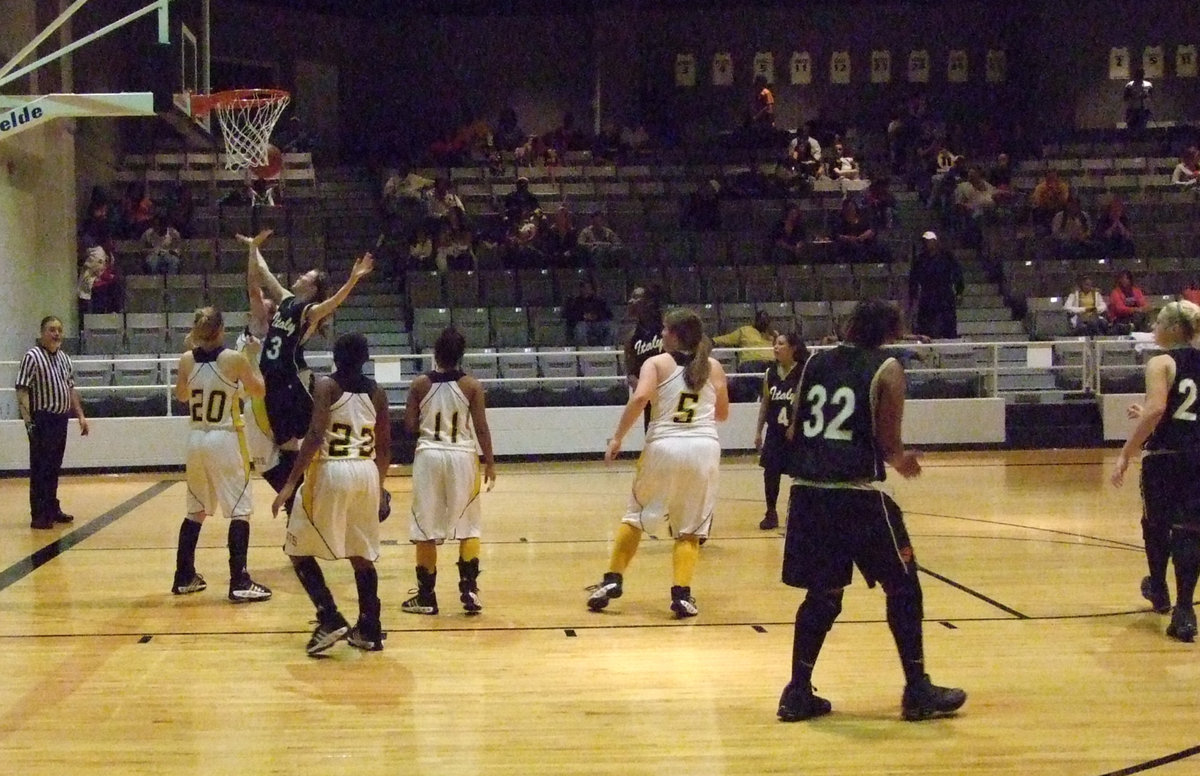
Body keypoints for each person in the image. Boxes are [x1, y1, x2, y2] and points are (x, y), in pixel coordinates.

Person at [778, 299, 966, 722]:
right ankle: (917, 689)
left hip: (808, 493)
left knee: (823, 595)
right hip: (854, 496)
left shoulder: (813, 365)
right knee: (903, 586)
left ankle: (796, 691)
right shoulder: (888, 369)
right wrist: (903, 460)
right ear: (890, 332)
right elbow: (887, 444)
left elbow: (793, 428)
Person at [587, 309, 730, 618]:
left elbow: (639, 399)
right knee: (689, 529)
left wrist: (616, 439)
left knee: (635, 515)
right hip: (704, 448)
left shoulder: (656, 363)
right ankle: (681, 595)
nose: (661, 335)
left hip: (664, 445)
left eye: (666, 330)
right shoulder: (714, 367)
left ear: (677, 335)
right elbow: (722, 414)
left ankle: (612, 580)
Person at [271, 333, 393, 655]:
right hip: (366, 472)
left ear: (335, 357)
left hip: (332, 470)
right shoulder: (379, 393)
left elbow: (313, 435)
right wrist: (378, 488)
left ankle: (329, 617)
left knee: (296, 546)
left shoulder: (326, 386)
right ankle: (369, 627)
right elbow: (384, 448)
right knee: (361, 553)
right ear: (365, 358)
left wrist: (289, 484)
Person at [241, 230, 374, 507]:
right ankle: (299, 500)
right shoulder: (287, 299)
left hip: (288, 382)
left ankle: (303, 501)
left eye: (307, 276)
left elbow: (333, 303)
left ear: (313, 288)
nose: (300, 276)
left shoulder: (309, 311)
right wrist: (254, 248)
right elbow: (264, 273)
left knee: (292, 443)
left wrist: (353, 279)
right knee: (283, 445)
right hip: (271, 382)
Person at [1110, 300, 1200, 643]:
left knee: (1155, 524)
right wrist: (1150, 411)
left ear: (1174, 329)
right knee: (1190, 529)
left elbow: (1159, 409)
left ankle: (1159, 589)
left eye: (1159, 322)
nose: (1155, 328)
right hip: (1197, 455)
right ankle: (1185, 611)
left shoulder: (1161, 362)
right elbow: (1175, 408)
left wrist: (1126, 452)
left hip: (1165, 456)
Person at [171, 307, 272, 602]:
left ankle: (184, 575)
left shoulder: (187, 359)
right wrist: (252, 358)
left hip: (195, 438)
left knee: (196, 510)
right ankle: (239, 580)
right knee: (240, 509)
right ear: (221, 329)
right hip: (226, 437)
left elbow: (181, 396)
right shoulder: (234, 359)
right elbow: (259, 391)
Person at [400, 327, 497, 616]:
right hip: (462, 456)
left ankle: (426, 597)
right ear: (461, 355)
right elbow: (481, 427)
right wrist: (490, 462)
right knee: (468, 524)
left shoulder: (419, 384)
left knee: (425, 526)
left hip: (429, 454)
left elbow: (409, 426)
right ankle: (468, 588)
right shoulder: (471, 386)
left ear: (435, 353)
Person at [16, 316, 89, 529]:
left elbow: (70, 388)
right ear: (42, 333)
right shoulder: (32, 356)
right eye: (51, 330)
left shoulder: (64, 358)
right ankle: (39, 514)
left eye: (59, 330)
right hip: (42, 420)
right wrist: (29, 422)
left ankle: (51, 507)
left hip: (60, 419)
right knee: (40, 467)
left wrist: (80, 416)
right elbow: (22, 389)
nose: (56, 334)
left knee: (54, 466)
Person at [754, 331, 806, 530]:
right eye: (775, 344)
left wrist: (795, 425)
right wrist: (758, 431)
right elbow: (765, 403)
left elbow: (802, 403)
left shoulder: (802, 371)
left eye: (781, 344)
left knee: (800, 474)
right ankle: (771, 512)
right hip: (775, 432)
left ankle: (799, 514)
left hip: (795, 433)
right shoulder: (770, 373)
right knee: (770, 473)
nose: (776, 347)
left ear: (793, 348)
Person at [624, 284, 666, 431]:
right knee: (652, 439)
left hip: (672, 392)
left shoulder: (668, 329)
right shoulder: (631, 337)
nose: (630, 301)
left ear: (649, 302)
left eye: (636, 297)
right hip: (650, 398)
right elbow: (630, 374)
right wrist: (644, 389)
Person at [908, 232, 964, 338]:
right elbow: (914, 278)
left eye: (930, 241)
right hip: (927, 292)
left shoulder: (947, 257)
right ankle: (926, 336)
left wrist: (959, 291)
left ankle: (950, 336)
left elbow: (957, 274)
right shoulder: (920, 260)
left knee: (948, 317)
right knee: (925, 318)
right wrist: (913, 294)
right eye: (926, 241)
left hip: (944, 290)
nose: (928, 244)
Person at [563, 281, 614, 347]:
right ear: (580, 289)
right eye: (584, 288)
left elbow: (609, 314)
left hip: (598, 324)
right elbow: (569, 315)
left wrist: (596, 316)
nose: (586, 290)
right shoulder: (575, 302)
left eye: (588, 288)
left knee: (610, 326)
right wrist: (583, 316)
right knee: (580, 328)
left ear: (592, 290)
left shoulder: (599, 301)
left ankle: (607, 349)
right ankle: (584, 350)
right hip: (583, 324)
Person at [1108, 270, 1150, 334]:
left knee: (1141, 316)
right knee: (1138, 317)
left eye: (1127, 278)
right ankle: (1132, 327)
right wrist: (1134, 309)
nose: (1124, 280)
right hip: (1121, 318)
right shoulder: (1115, 292)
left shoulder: (1136, 291)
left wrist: (1142, 309)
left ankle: (1134, 327)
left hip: (1136, 316)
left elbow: (1144, 304)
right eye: (1122, 278)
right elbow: (1119, 309)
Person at [1123, 66, 1153, 132]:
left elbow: (1151, 97)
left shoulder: (1148, 85)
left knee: (1142, 128)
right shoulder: (1129, 85)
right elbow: (1125, 98)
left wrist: (1146, 96)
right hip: (1132, 109)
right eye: (1137, 75)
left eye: (1141, 75)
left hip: (1144, 109)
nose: (1139, 77)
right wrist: (1134, 96)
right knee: (1131, 128)